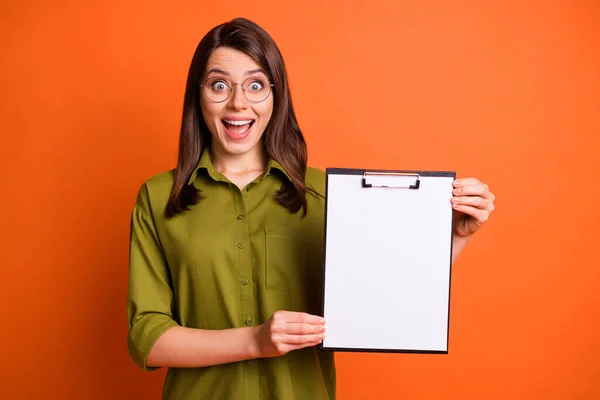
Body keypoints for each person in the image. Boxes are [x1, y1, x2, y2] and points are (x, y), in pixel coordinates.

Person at [126, 17, 496, 400]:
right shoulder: (158, 197)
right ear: (198, 94)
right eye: (219, 85)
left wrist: (454, 235)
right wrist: (255, 341)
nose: (239, 102)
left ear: (276, 95)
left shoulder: (324, 193)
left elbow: (384, 295)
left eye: (255, 86)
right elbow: (147, 339)